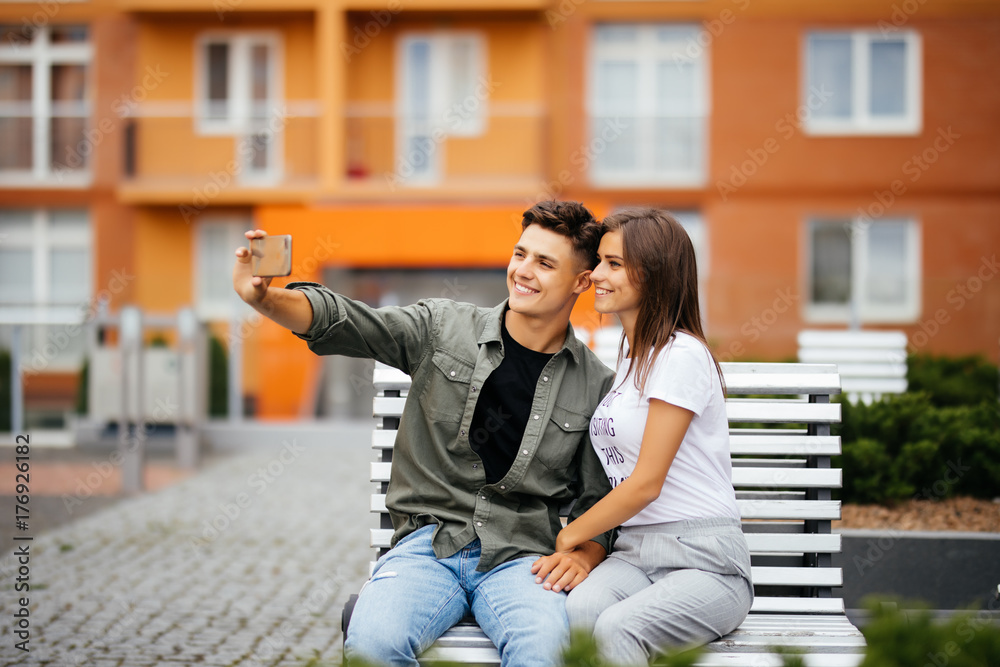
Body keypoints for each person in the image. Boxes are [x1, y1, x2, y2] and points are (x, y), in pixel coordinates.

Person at [232, 201, 615, 667]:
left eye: (545, 262)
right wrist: (265, 299)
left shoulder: (595, 383)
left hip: (522, 558)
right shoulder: (443, 327)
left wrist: (588, 555)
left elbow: (599, 499)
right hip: (427, 546)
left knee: (549, 654)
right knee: (373, 645)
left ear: (580, 281)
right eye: (520, 254)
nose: (523, 271)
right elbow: (349, 321)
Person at [557, 208, 753, 664]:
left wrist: (568, 537)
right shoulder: (629, 356)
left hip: (704, 559)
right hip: (635, 552)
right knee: (581, 608)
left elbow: (646, 483)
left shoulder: (680, 355)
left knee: (616, 628)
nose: (595, 275)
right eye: (600, 261)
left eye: (614, 264)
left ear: (655, 274)